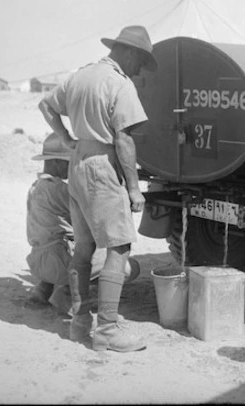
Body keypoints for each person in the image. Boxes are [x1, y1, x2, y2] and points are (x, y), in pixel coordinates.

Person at [38, 25, 156, 352]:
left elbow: (46, 106)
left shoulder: (80, 75)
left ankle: (79, 322)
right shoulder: (119, 84)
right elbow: (124, 139)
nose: (140, 69)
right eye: (141, 61)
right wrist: (134, 189)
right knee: (119, 248)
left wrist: (64, 138)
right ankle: (107, 329)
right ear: (129, 52)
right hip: (102, 167)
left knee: (84, 248)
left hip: (77, 164)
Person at [26, 133, 140, 315]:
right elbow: (91, 216)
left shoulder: (36, 187)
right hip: (57, 263)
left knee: (56, 236)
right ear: (56, 162)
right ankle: (66, 294)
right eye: (69, 162)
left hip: (37, 262)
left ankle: (42, 289)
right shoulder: (59, 190)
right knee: (128, 267)